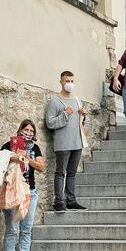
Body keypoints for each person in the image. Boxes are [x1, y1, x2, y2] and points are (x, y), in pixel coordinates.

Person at [0, 119, 46, 251]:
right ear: (20, 130)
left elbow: (41, 167)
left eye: (32, 131)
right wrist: (14, 156)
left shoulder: (35, 148)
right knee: (12, 230)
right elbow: (0, 163)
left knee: (26, 229)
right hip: (13, 192)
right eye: (26, 130)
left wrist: (27, 158)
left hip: (29, 193)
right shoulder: (9, 145)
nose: (29, 133)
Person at [45, 71, 87, 213]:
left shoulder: (76, 100)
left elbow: (79, 123)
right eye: (67, 81)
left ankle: (71, 200)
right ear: (61, 82)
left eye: (72, 81)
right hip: (63, 143)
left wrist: (82, 115)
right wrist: (65, 114)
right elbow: (50, 123)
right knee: (60, 172)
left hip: (77, 142)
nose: (70, 84)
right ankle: (58, 201)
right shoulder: (54, 101)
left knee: (72, 173)